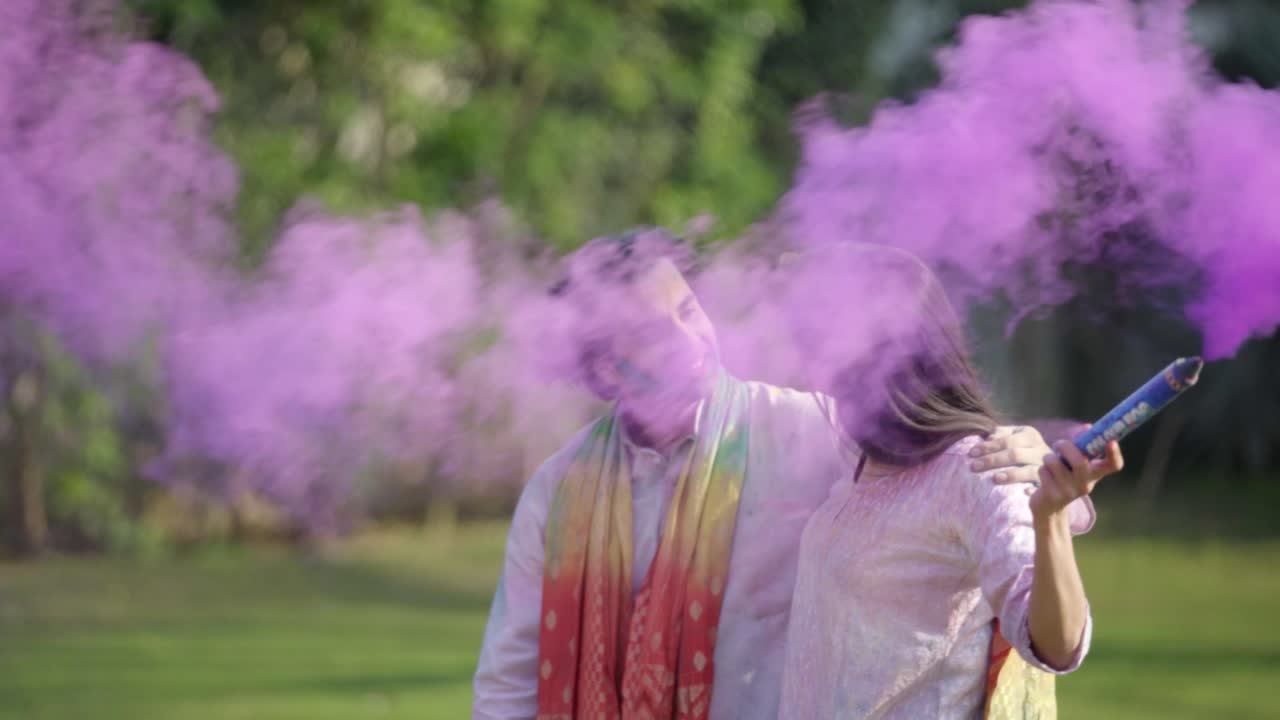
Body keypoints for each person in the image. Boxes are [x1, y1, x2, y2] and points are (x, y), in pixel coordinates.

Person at [473, 229, 1054, 720]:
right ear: (606, 367)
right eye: (652, 334)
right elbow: (510, 679)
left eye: (688, 310)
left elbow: (965, 476)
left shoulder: (808, 430)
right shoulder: (557, 493)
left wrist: (1030, 457)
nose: (688, 342)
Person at [778, 244, 1120, 719]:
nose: (811, 370)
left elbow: (1058, 645)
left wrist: (1052, 518)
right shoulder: (859, 457)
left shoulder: (976, 473)